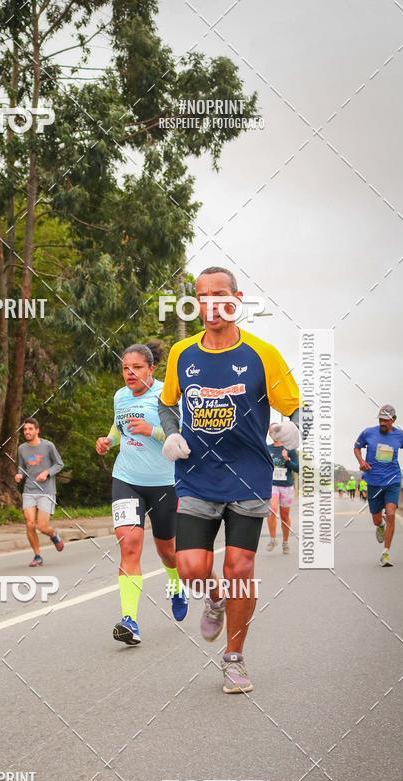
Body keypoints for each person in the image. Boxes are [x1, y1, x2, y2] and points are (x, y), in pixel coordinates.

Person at [159, 266, 301, 694]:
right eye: (202, 296)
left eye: (220, 295)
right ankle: (213, 597)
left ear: (237, 299)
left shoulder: (263, 353)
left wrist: (295, 431)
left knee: (240, 567)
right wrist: (171, 434)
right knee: (191, 568)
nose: (211, 304)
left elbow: (298, 408)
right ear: (196, 302)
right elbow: (168, 404)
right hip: (197, 476)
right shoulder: (181, 354)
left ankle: (234, 659)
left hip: (249, 477)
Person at [95, 342, 187, 645]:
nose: (129, 373)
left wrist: (152, 431)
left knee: (167, 551)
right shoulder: (120, 396)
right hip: (127, 478)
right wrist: (108, 441)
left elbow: (182, 437)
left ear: (151, 368)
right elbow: (118, 427)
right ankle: (129, 620)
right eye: (125, 368)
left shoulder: (167, 394)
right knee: (129, 545)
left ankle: (176, 587)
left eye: (136, 368)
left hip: (164, 482)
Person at [354, 404, 403, 567]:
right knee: (377, 519)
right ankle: (380, 526)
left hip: (393, 480)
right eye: (381, 420)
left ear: (393, 420)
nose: (383, 423)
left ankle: (386, 553)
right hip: (373, 481)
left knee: (391, 513)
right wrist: (361, 462)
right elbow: (356, 447)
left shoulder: (400, 436)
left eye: (386, 420)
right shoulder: (368, 432)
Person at [15, 417, 65, 567]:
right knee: (30, 524)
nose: (27, 432)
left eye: (30, 429)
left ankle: (54, 535)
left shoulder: (48, 446)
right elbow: (22, 467)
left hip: (46, 491)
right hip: (29, 489)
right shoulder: (22, 448)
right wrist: (20, 475)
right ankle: (37, 556)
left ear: (37, 430)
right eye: (25, 429)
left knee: (42, 527)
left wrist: (47, 473)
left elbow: (59, 464)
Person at [266, 425, 299, 554]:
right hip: (272, 484)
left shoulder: (290, 449)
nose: (272, 433)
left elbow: (298, 469)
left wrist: (287, 460)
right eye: (270, 431)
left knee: (285, 516)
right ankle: (273, 539)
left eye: (275, 430)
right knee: (272, 511)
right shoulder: (267, 448)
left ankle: (285, 542)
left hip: (286, 485)